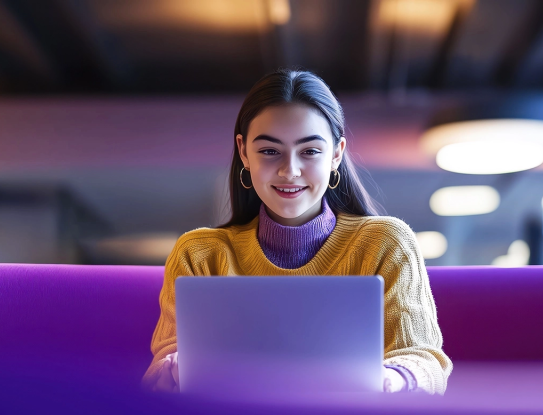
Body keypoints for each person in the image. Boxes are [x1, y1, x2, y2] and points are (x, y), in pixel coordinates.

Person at [142, 69, 451, 394]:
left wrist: (392, 379)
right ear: (244, 152)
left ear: (336, 154)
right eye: (269, 151)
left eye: (310, 151)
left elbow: (424, 360)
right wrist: (168, 374)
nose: (290, 170)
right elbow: (161, 371)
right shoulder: (199, 254)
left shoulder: (386, 244)